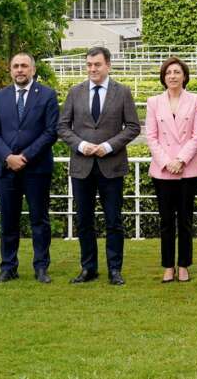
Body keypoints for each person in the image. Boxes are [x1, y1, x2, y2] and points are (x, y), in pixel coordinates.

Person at [58, 46, 140, 286]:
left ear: (108, 65)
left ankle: (115, 269)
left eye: (97, 65)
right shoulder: (75, 92)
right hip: (82, 165)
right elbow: (62, 127)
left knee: (113, 220)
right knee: (84, 220)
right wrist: (81, 144)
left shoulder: (122, 92)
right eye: (89, 65)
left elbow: (133, 127)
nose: (92, 69)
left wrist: (109, 146)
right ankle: (88, 268)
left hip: (111, 165)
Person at [0, 53, 60, 284]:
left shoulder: (47, 95)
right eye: (15, 66)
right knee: (8, 220)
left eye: (24, 66)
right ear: (10, 70)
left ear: (33, 70)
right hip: (7, 169)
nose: (20, 70)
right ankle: (8, 267)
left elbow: (51, 132)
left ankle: (41, 267)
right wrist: (8, 156)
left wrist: (25, 157)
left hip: (36, 169)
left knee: (39, 220)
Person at [145, 56, 197, 284]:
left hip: (187, 170)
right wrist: (167, 161)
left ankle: (184, 265)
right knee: (166, 221)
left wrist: (180, 160)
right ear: (163, 77)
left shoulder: (195, 100)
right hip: (162, 171)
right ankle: (168, 266)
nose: (173, 76)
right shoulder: (153, 102)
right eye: (169, 72)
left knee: (186, 220)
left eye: (177, 72)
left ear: (185, 76)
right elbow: (151, 136)